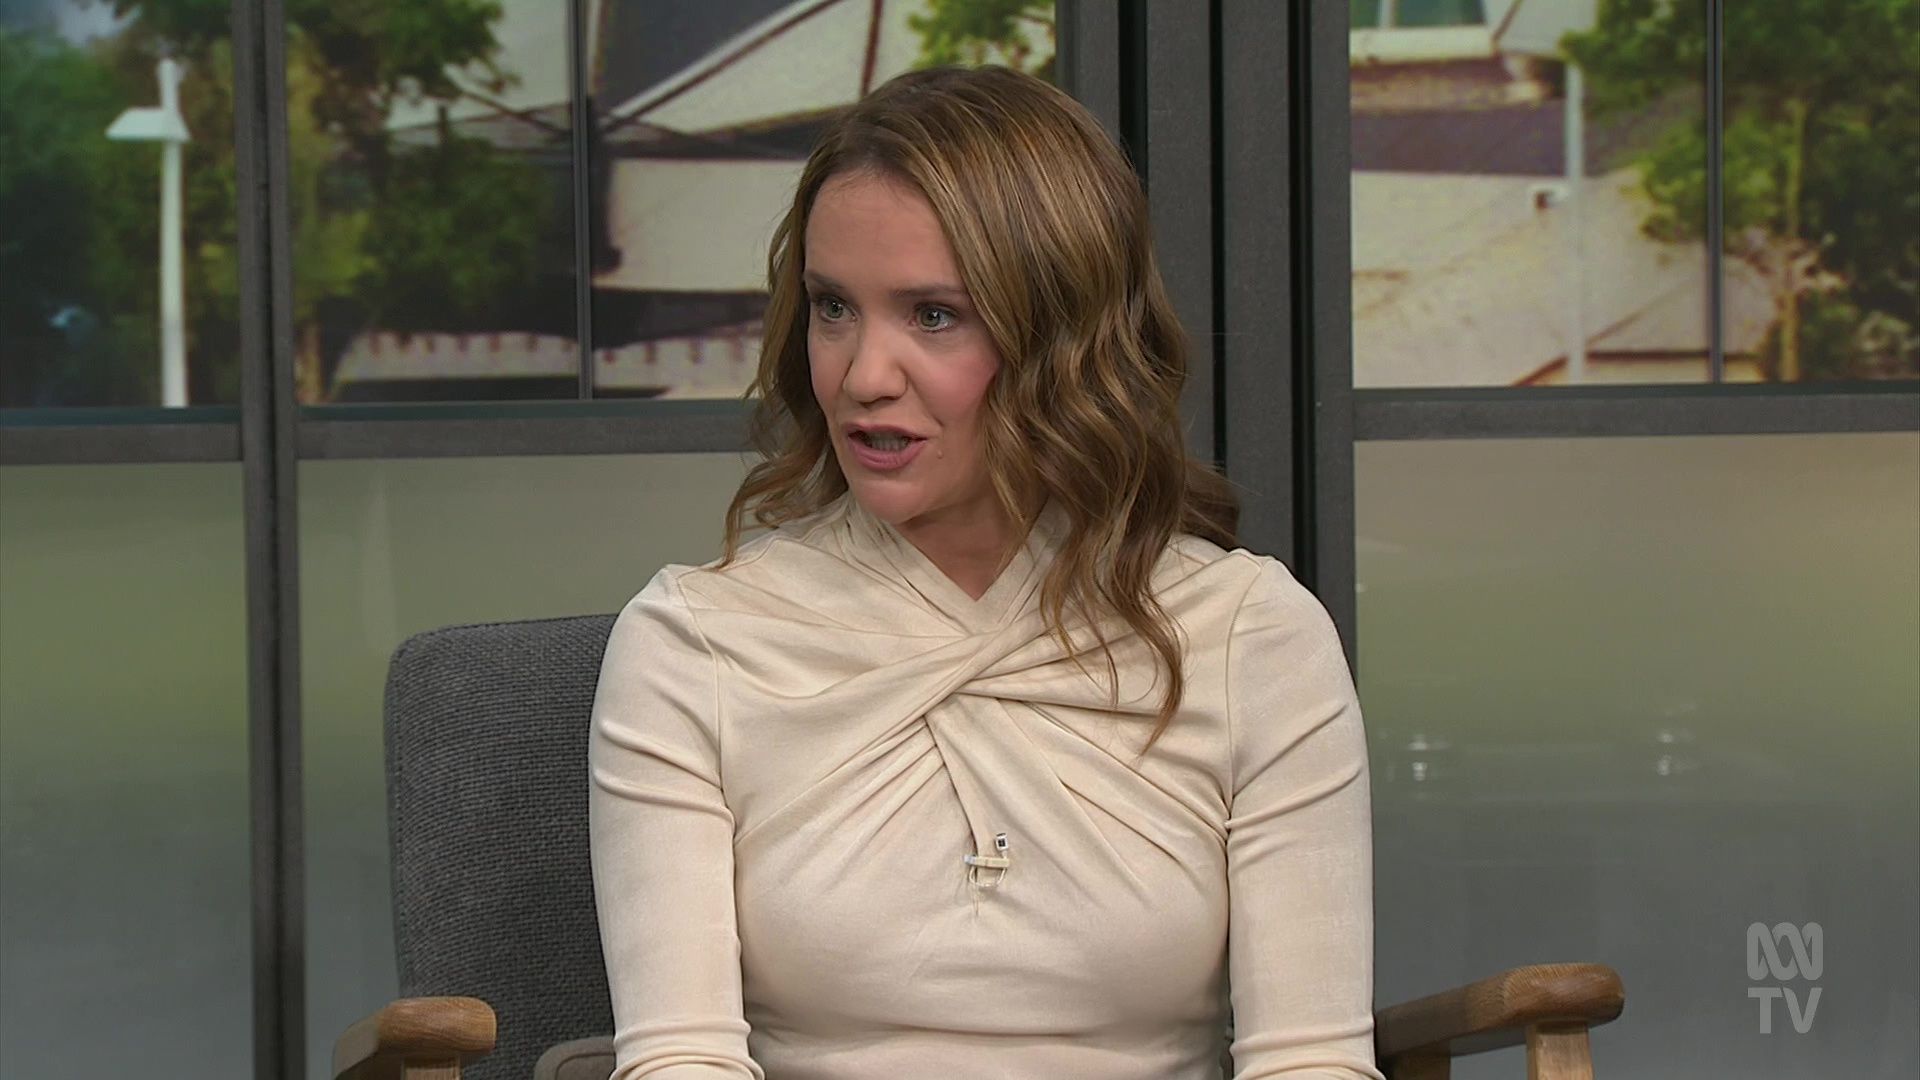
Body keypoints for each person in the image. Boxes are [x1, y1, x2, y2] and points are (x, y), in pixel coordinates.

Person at [587, 65, 1383, 1080]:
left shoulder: (1251, 637)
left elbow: (1311, 1061)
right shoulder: (693, 644)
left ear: (1065, 337)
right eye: (833, 308)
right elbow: (680, 1059)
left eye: (933, 315)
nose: (864, 376)